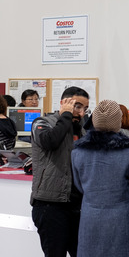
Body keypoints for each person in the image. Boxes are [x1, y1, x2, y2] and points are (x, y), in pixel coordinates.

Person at [71, 100, 129, 257]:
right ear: (117, 122)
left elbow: (79, 186)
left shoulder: (77, 152)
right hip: (123, 221)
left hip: (90, 219)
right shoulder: (128, 152)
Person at [30, 86, 90, 257]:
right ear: (64, 103)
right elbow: (50, 141)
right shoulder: (41, 123)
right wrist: (66, 115)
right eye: (77, 106)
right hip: (49, 205)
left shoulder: (81, 128)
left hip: (76, 205)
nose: (81, 113)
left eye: (85, 108)